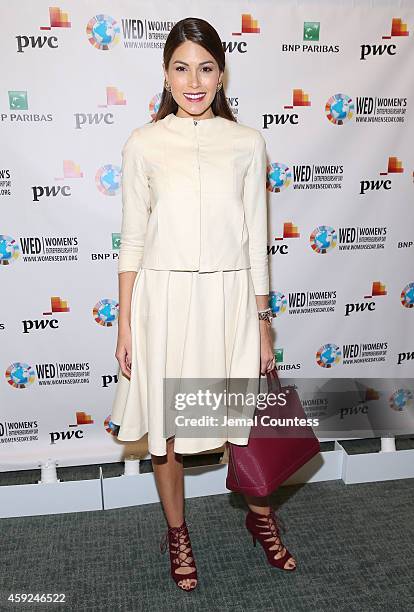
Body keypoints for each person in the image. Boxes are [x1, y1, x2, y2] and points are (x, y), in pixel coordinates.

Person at [110, 17, 296, 592]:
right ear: (165, 73)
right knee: (168, 428)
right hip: (162, 300)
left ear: (222, 72)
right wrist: (124, 320)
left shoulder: (246, 143)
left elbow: (256, 238)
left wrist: (264, 323)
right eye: (181, 67)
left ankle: (261, 518)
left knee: (240, 421)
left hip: (229, 297)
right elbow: (133, 238)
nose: (194, 81)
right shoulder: (144, 143)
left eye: (206, 67)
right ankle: (177, 531)